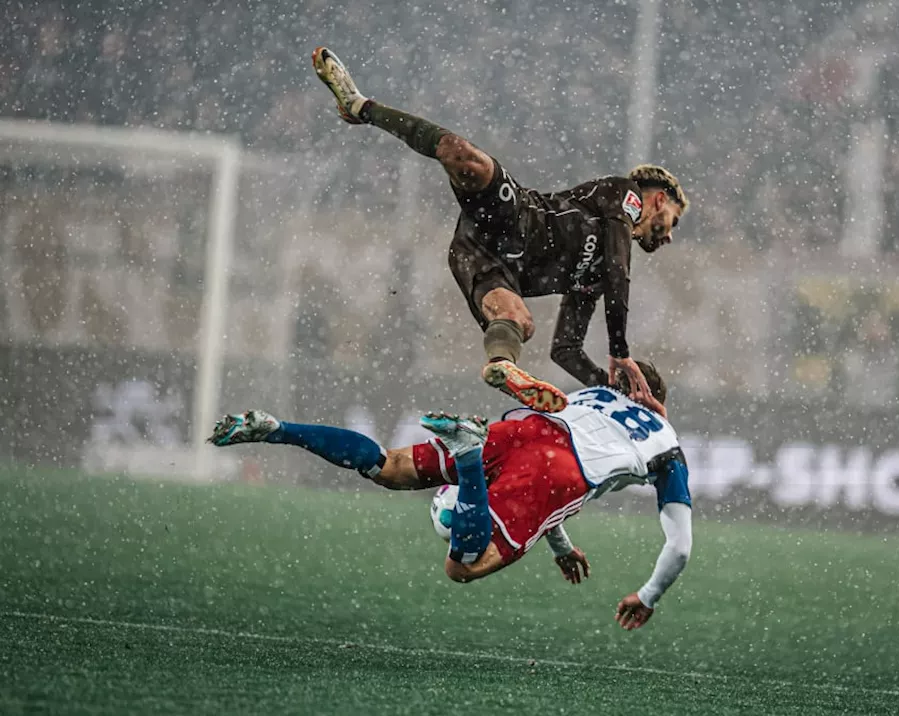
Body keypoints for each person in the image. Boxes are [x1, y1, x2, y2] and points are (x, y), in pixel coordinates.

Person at [311, 47, 689, 412]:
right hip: (515, 215)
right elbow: (618, 267)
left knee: (516, 319)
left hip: (479, 257)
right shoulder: (625, 195)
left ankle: (501, 366)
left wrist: (609, 389)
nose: (669, 235)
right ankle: (360, 107)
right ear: (659, 200)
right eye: (673, 218)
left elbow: (566, 349)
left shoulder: (599, 276)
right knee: (462, 154)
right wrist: (620, 351)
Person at [207, 362, 691, 631]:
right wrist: (648, 596)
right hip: (563, 470)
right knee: (463, 566)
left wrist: (561, 545)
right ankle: (465, 456)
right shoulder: (668, 445)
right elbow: (680, 546)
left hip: (527, 428)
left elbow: (538, 467)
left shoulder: (593, 396)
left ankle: (277, 430)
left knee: (388, 467)